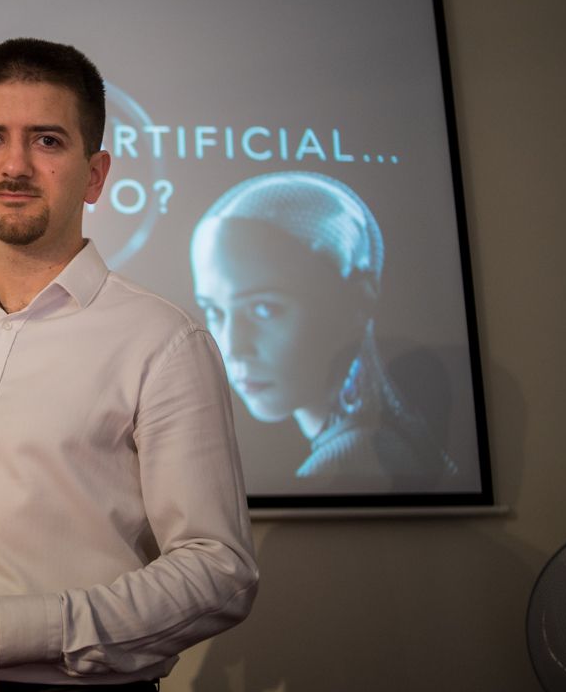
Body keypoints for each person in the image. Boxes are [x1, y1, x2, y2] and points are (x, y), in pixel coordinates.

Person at [0, 38, 258, 692]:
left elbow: (219, 570)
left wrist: (7, 630)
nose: (14, 164)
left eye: (46, 140)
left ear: (95, 174)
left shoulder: (163, 341)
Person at [190, 171, 455, 482]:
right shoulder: (394, 441)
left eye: (265, 308)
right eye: (214, 311)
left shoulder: (346, 466)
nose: (233, 348)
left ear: (359, 298)